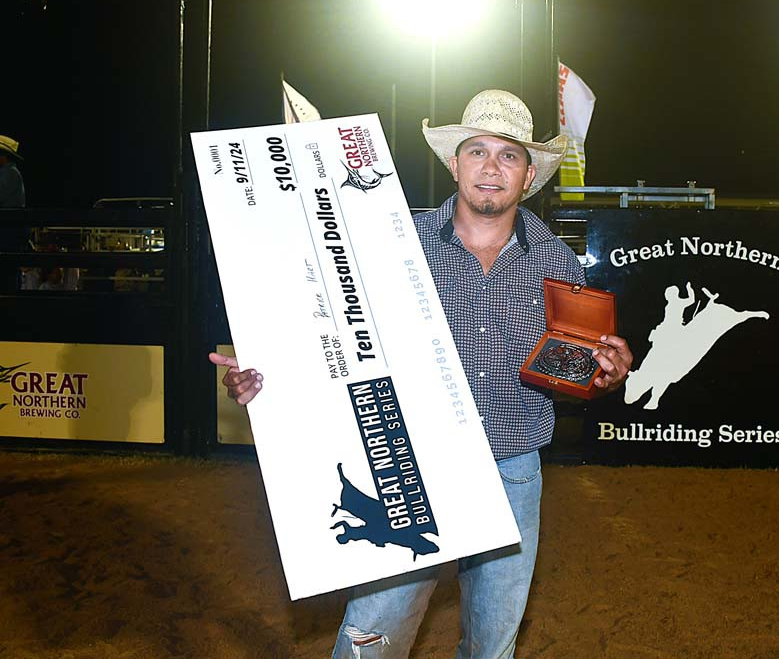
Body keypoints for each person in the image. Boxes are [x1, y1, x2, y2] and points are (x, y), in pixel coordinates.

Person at [210, 89, 633, 658]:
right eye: (476, 151)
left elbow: (574, 369)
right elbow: (330, 321)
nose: (490, 166)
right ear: (454, 163)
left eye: (508, 155)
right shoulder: (391, 237)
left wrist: (605, 374)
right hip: (411, 466)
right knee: (375, 632)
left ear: (528, 173)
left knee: (492, 642)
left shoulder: (555, 261)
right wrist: (269, 368)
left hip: (514, 469)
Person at [0, 135, 28, 292]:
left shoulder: (9, 174)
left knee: (7, 271)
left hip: (8, 232)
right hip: (9, 231)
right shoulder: (9, 173)